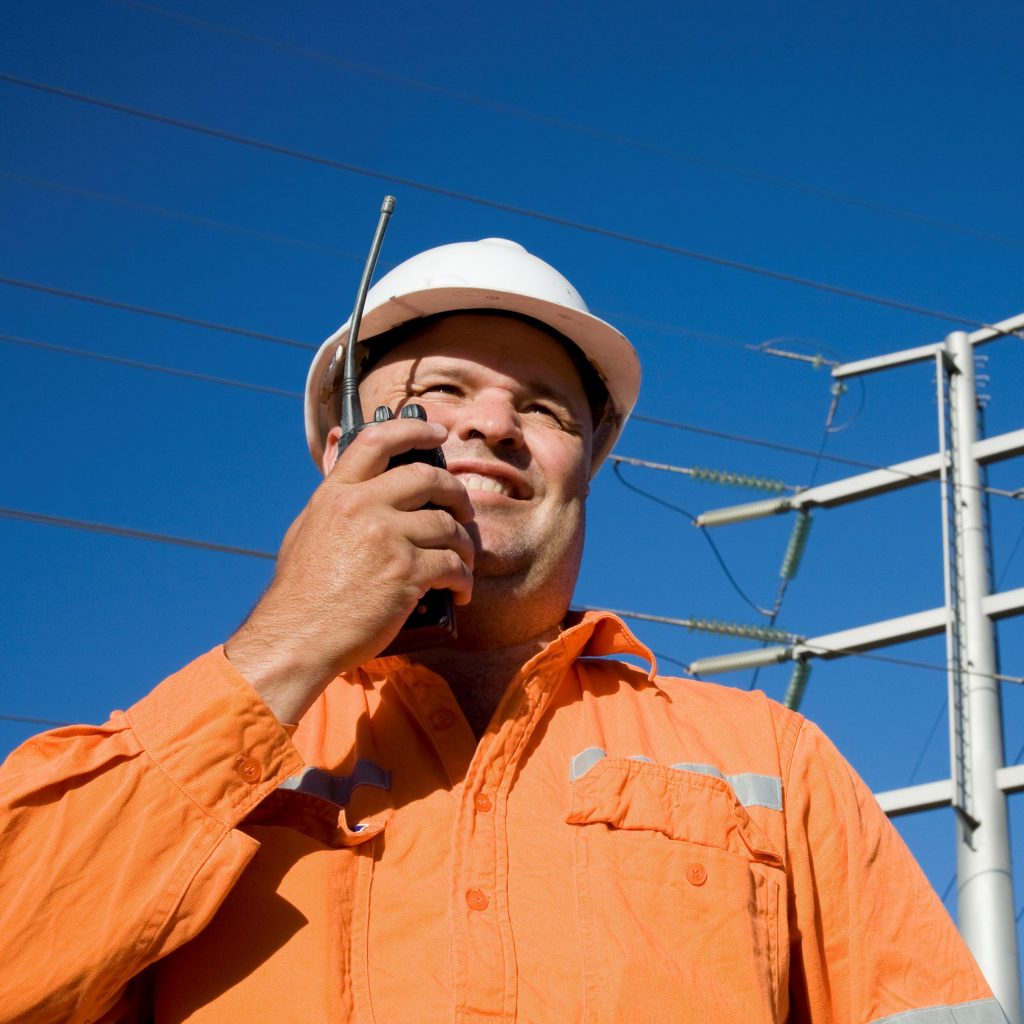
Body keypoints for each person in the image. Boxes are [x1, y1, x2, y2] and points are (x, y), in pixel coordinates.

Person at [0, 238, 1004, 1023]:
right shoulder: (188, 759)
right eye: (440, 395)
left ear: (585, 462)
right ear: (342, 446)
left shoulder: (768, 760)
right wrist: (287, 645)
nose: (491, 425)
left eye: (542, 407)